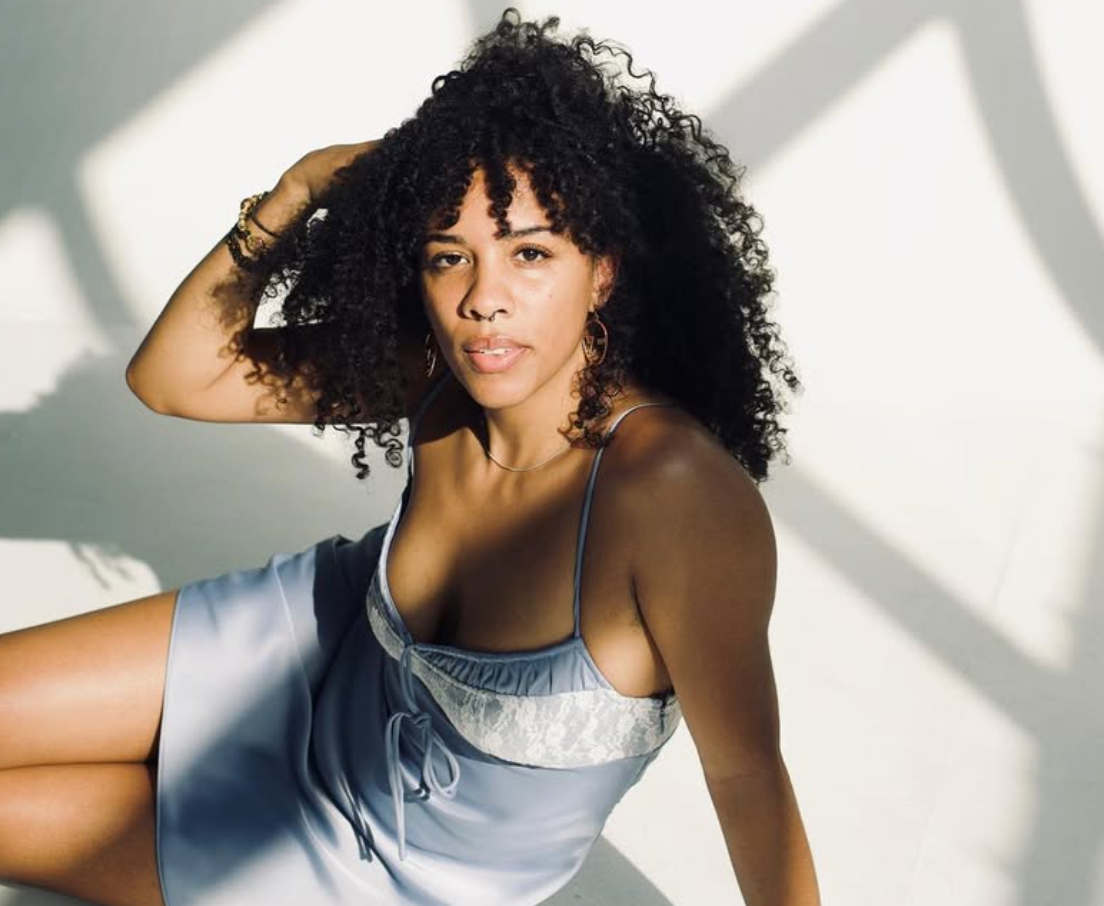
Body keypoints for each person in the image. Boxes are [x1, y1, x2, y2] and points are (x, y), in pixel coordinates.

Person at [0, 10, 820, 906]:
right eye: (447, 257)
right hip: (302, 648)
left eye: (531, 253)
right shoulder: (437, 378)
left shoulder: (670, 495)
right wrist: (297, 190)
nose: (483, 300)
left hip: (375, 872)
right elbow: (175, 379)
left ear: (605, 271)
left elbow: (746, 776)